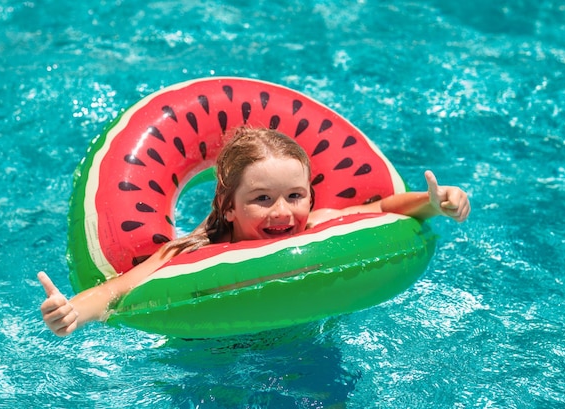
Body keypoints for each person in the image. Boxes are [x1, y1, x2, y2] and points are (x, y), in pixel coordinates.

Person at [39, 127, 471, 337]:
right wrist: (73, 312)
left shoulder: (318, 226)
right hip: (212, 362)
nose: (283, 212)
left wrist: (434, 203)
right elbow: (117, 291)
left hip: (304, 350)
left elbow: (378, 209)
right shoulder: (191, 253)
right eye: (262, 199)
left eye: (295, 196)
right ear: (228, 205)